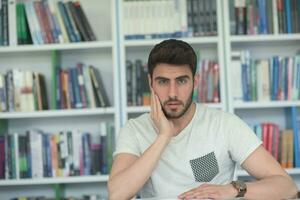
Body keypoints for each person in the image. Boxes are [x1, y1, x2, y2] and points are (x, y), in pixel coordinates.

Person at [108, 39, 298, 200]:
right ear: (150, 83)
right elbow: (117, 194)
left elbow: (287, 187)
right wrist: (164, 136)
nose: (172, 93)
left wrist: (232, 190)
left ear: (195, 82)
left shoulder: (224, 124)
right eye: (163, 81)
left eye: (181, 81)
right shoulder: (134, 129)